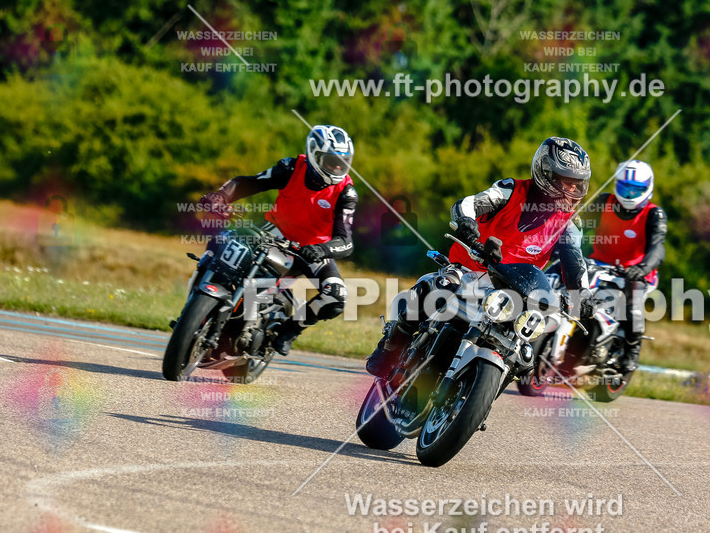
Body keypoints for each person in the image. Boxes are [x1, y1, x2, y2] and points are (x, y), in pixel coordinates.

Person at [366, 136, 593, 378]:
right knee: (432, 288)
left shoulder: (569, 223)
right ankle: (390, 347)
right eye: (567, 182)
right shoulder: (510, 190)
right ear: (545, 173)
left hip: (516, 293)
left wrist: (583, 295)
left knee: (525, 358)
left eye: (577, 184)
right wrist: (467, 223)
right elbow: (467, 204)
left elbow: (575, 263)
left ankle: (485, 385)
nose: (573, 190)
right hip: (468, 271)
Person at [200, 125, 357, 355]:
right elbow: (249, 182)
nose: (337, 167)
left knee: (336, 295)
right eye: (332, 161)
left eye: (343, 162)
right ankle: (204, 302)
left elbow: (346, 241)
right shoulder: (290, 168)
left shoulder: (346, 192)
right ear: (314, 154)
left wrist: (321, 250)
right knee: (225, 245)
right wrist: (221, 196)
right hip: (275, 232)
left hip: (313, 250)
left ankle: (289, 331)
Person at [581, 159, 667, 372]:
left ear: (648, 188)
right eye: (625, 188)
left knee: (632, 308)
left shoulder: (654, 214)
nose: (629, 194)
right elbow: (579, 224)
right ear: (616, 185)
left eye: (636, 189)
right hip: (597, 263)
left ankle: (632, 349)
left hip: (635, 272)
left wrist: (642, 268)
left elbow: (658, 248)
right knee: (564, 288)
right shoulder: (603, 201)